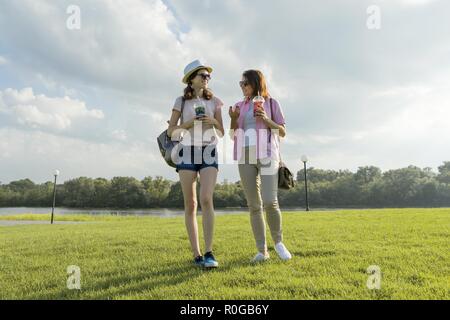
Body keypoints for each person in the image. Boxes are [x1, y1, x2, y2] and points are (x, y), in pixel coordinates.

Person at [229, 69, 292, 262]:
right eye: (240, 84)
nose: (242, 87)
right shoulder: (239, 106)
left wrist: (265, 118)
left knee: (269, 201)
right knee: (254, 205)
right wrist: (233, 119)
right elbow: (233, 135)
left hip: (266, 154)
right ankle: (261, 250)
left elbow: (282, 132)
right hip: (245, 155)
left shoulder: (272, 103)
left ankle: (279, 243)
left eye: (245, 83)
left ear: (256, 84)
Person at [167, 60, 224, 268]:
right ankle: (197, 254)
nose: (206, 78)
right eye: (202, 75)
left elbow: (222, 132)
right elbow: (172, 131)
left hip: (209, 150)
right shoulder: (181, 101)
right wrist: (189, 123)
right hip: (186, 151)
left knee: (206, 199)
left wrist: (213, 121)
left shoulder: (215, 101)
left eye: (208, 76)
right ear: (191, 79)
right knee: (191, 204)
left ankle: (209, 252)